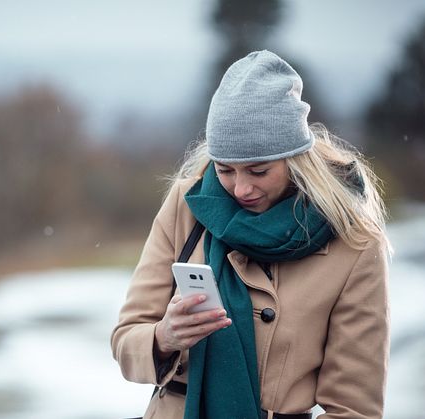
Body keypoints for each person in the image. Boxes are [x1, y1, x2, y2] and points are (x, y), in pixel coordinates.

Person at [111, 50, 390, 419]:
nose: (241, 189)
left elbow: (354, 408)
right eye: (225, 170)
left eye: (258, 171)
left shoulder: (352, 241)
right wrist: (165, 337)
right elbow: (126, 338)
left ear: (295, 159)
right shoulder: (187, 204)